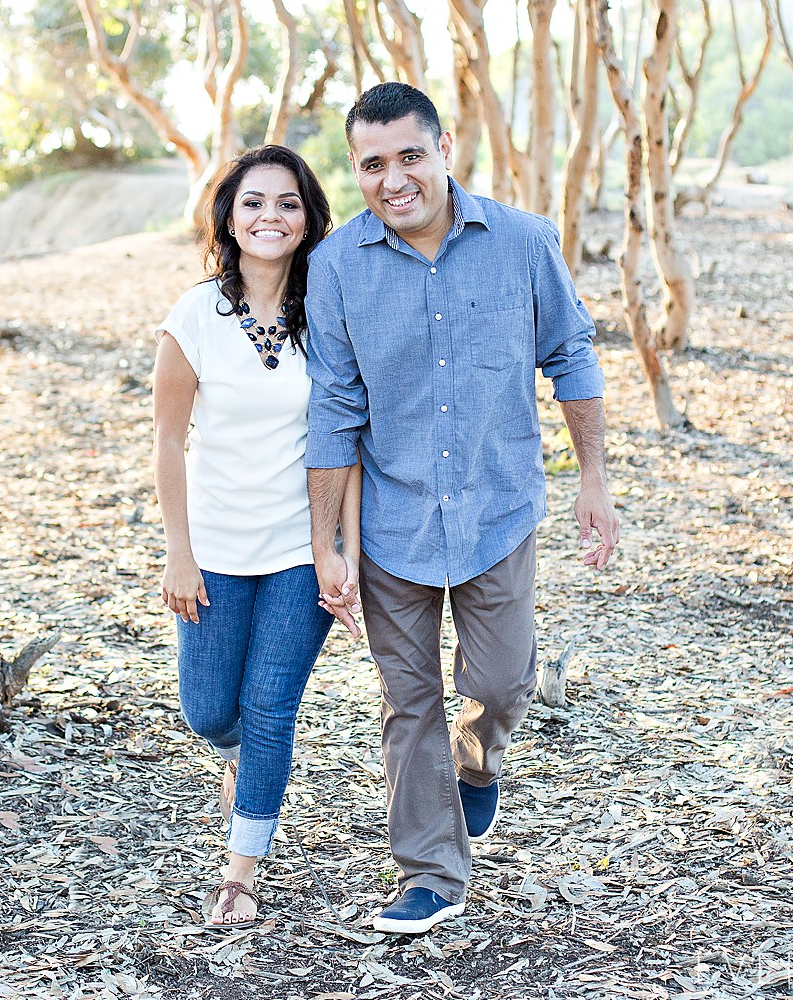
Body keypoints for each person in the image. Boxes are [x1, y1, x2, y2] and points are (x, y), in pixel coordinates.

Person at [304, 83, 621, 935]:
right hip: (391, 525)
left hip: (497, 510)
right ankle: (430, 872)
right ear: (357, 171)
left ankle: (477, 767)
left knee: (500, 682)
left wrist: (594, 480)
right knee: (408, 704)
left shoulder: (521, 242)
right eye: (372, 164)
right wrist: (327, 543)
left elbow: (571, 353)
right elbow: (333, 408)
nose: (393, 178)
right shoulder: (335, 267)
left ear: (444, 149)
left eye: (410, 155)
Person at [153, 145, 361, 930]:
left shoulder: (330, 318)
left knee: (271, 706)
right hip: (212, 546)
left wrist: (338, 547)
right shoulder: (193, 317)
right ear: (229, 218)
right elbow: (168, 442)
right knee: (210, 713)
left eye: (287, 203)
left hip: (296, 550)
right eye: (253, 203)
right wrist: (178, 550)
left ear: (308, 220)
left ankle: (242, 869)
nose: (270, 217)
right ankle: (240, 759)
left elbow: (347, 442)